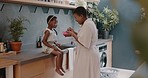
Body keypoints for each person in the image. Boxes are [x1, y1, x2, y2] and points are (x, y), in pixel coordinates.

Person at [66, 6, 100, 78]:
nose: (75, 20)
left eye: (76, 17)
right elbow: (82, 37)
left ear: (81, 16)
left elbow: (84, 42)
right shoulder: (87, 24)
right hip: (87, 55)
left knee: (85, 75)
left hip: (88, 56)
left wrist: (73, 34)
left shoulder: (88, 25)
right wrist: (73, 32)